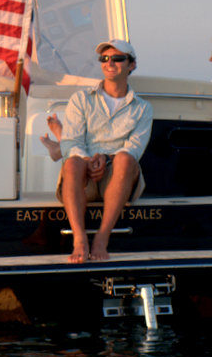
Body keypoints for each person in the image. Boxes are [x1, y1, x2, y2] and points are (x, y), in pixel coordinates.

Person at [47, 39, 153, 263]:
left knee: (125, 159)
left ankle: (102, 238)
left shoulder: (143, 108)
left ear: (131, 65)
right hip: (84, 174)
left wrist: (105, 160)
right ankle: (79, 239)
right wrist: (88, 160)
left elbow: (135, 149)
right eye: (104, 59)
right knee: (72, 161)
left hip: (118, 177)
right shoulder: (81, 99)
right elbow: (70, 141)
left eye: (117, 58)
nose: (109, 63)